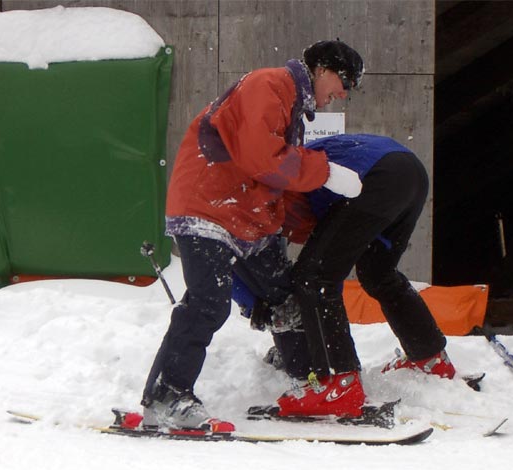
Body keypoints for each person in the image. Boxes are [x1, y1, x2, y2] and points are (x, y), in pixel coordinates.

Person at [141, 40, 365, 430]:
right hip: (207, 207)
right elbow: (261, 158)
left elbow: (272, 178)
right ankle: (167, 395)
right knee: (209, 303)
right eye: (344, 81)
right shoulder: (269, 85)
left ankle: (306, 380)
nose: (344, 93)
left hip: (245, 216)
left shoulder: (292, 105)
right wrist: (325, 171)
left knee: (286, 297)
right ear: (322, 69)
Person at [235, 133, 456, 419]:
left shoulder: (278, 183)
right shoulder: (304, 183)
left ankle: (340, 384)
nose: (293, 235)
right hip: (410, 173)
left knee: (312, 276)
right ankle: (430, 358)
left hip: (377, 174)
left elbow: (320, 271)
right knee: (377, 272)